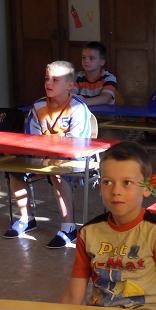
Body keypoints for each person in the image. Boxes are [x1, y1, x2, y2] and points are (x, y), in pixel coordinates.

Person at [61, 142, 156, 310]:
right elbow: (73, 294)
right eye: (107, 182)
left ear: (147, 188)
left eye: (127, 182)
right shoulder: (88, 233)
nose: (116, 191)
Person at [3, 61, 93, 248]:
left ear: (69, 85)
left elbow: (77, 143)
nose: (48, 83)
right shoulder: (38, 106)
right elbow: (32, 138)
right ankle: (27, 218)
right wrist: (43, 152)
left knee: (56, 171)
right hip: (42, 155)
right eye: (46, 79)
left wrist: (50, 150)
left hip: (73, 158)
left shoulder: (78, 108)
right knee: (15, 168)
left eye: (55, 80)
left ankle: (69, 227)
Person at [73, 41, 118, 105]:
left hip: (104, 111)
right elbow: (71, 94)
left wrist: (84, 102)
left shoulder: (109, 78)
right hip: (83, 111)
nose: (86, 61)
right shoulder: (78, 77)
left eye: (91, 58)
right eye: (83, 57)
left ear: (102, 62)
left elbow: (105, 98)